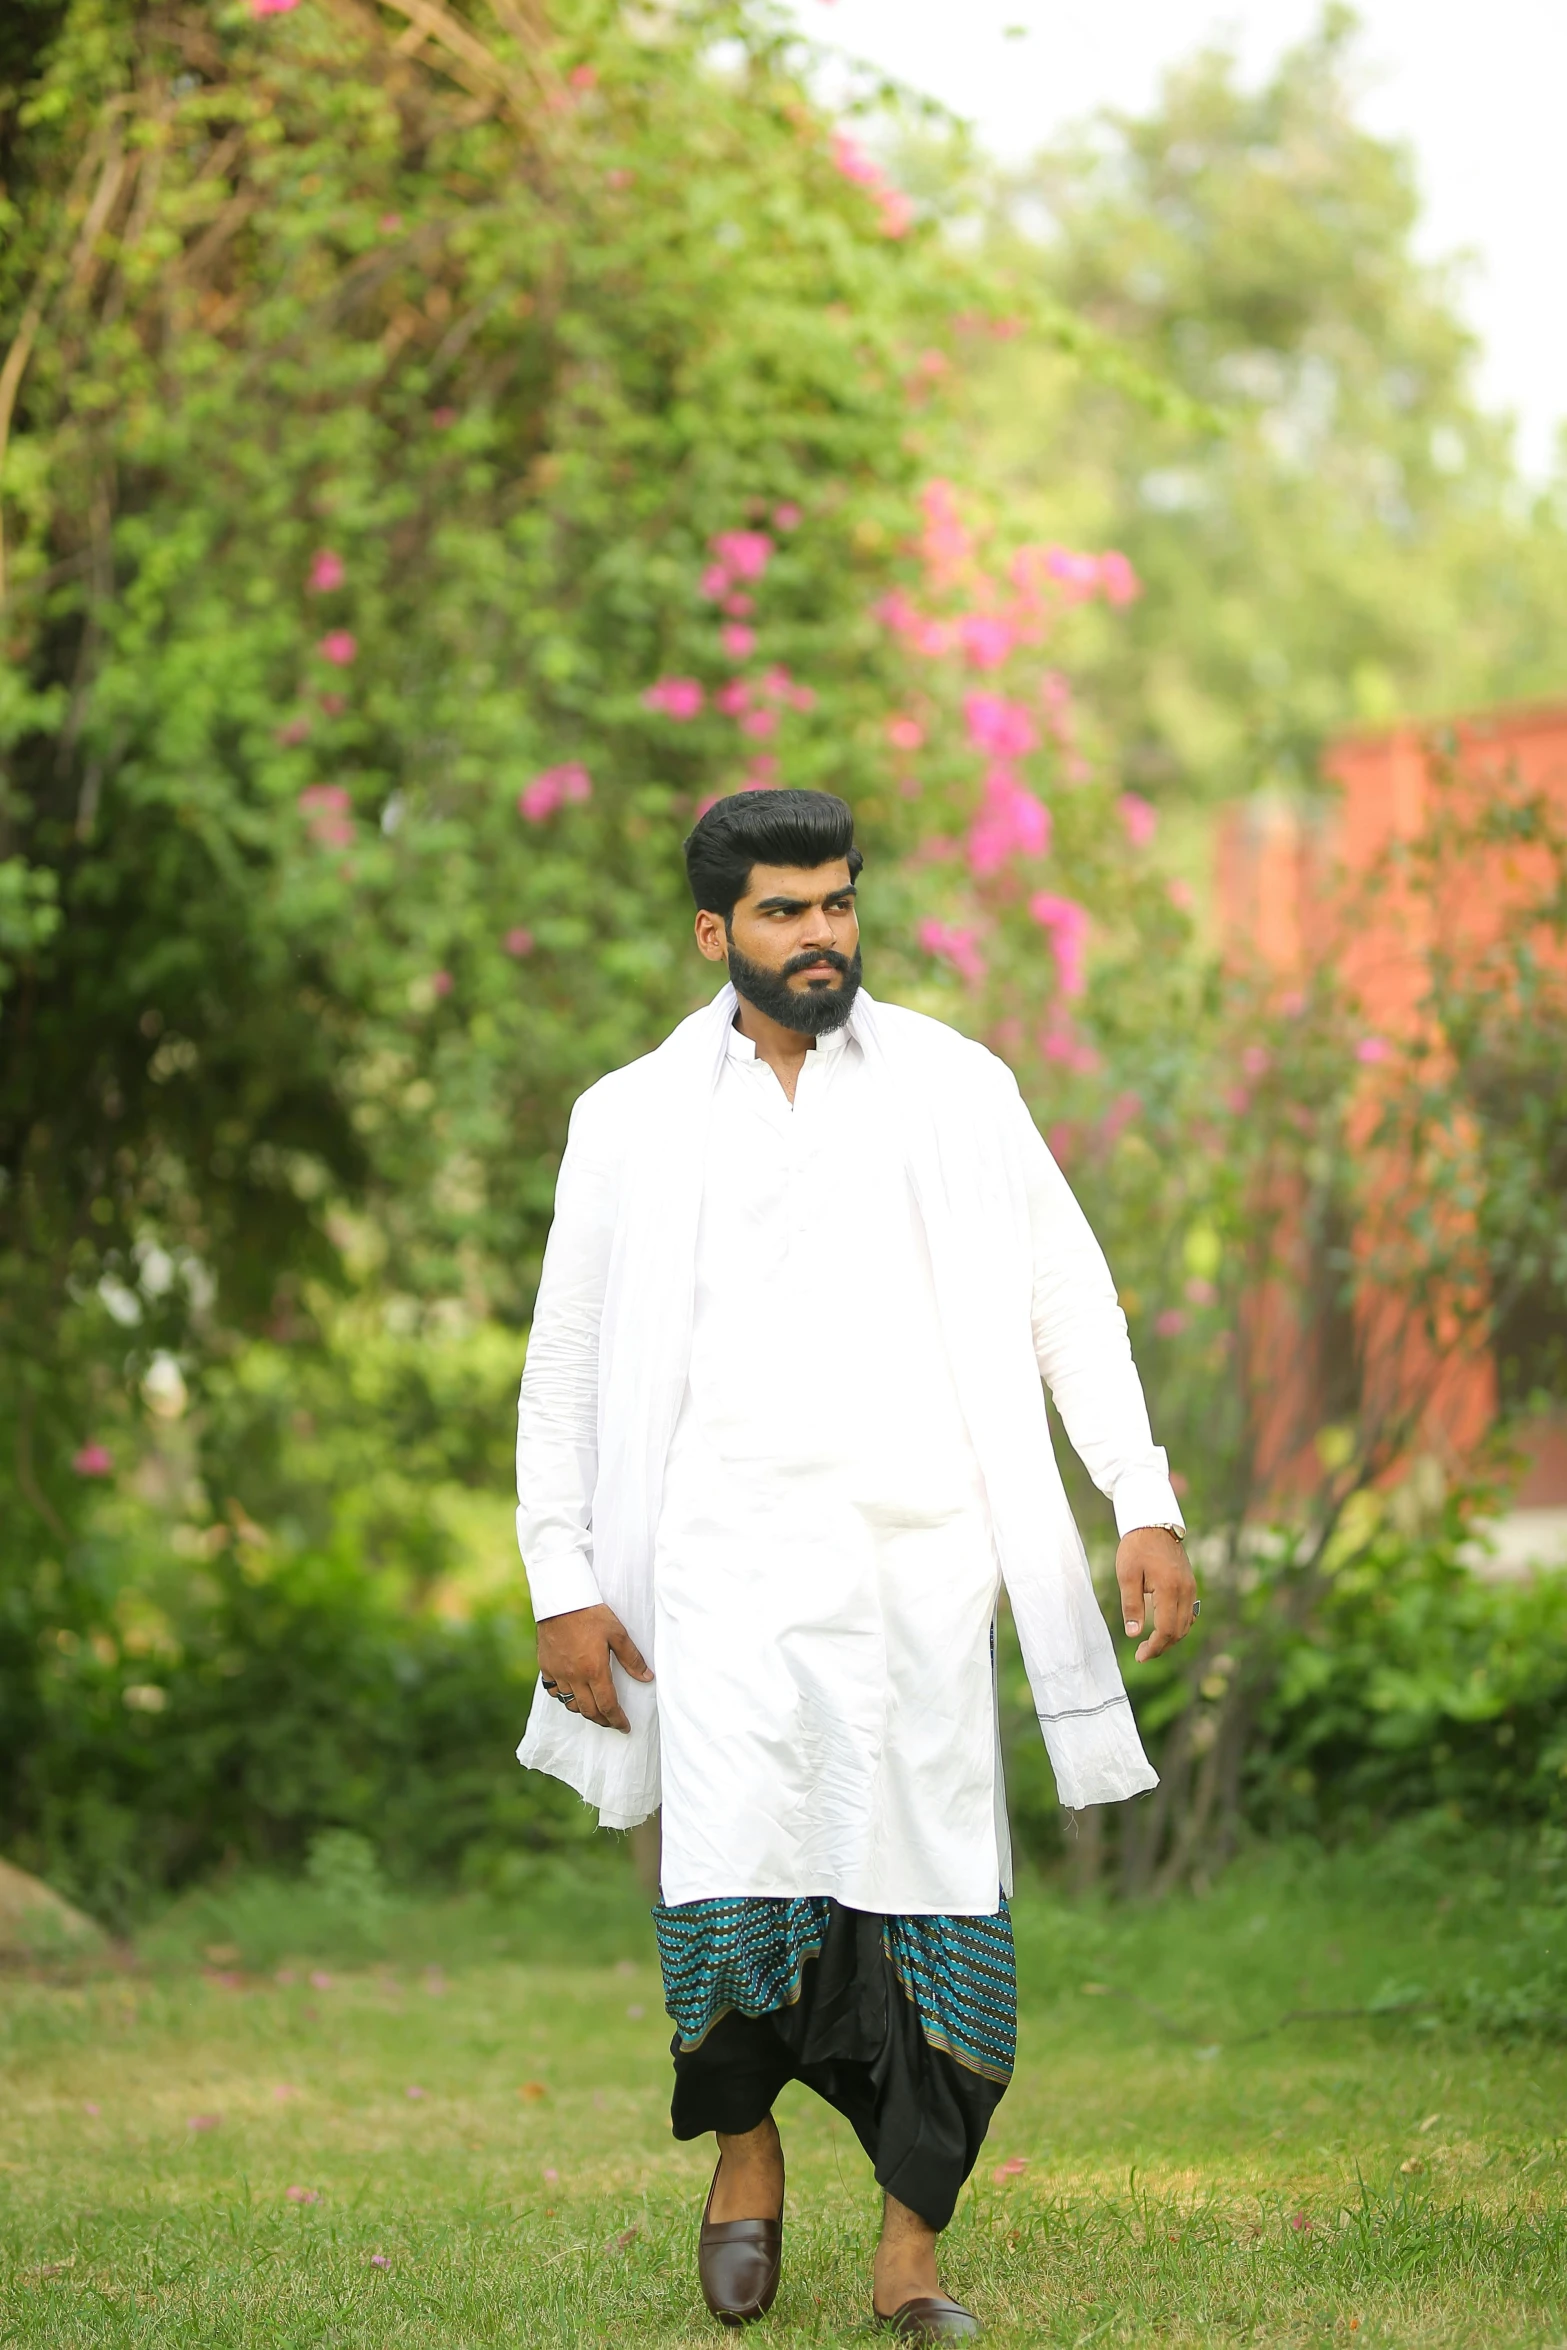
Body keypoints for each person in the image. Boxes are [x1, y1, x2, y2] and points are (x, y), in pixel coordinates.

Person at [515, 789, 1195, 2341]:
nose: (820, 932)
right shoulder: (627, 1114)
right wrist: (559, 1572)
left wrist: (1136, 1499)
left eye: (835, 901)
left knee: (938, 1888)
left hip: (916, 1568)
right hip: (717, 1572)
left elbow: (1067, 1302)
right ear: (714, 932)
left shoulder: (957, 1086)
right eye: (782, 910)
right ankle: (742, 2157)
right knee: (730, 1883)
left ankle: (908, 2253)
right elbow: (562, 1364)